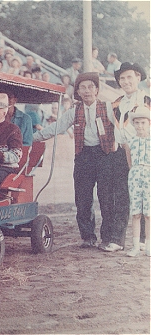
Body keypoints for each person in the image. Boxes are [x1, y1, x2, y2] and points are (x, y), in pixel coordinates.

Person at [33, 72, 117, 248]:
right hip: (83, 156)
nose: (87, 91)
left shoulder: (108, 107)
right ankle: (88, 237)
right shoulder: (74, 111)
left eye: (90, 87)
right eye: (82, 87)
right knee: (83, 198)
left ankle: (108, 238)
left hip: (105, 156)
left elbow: (122, 128)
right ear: (77, 91)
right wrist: (33, 137)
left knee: (106, 198)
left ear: (97, 89)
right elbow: (57, 127)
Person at [108, 62, 151, 252]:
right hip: (121, 152)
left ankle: (143, 240)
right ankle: (118, 239)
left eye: (129, 77)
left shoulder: (147, 100)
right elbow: (117, 128)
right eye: (122, 78)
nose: (126, 81)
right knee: (120, 195)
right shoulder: (116, 103)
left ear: (138, 78)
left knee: (144, 196)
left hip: (143, 152)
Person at [124, 106, 150, 257]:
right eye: (137, 122)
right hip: (135, 177)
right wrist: (135, 172)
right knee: (136, 213)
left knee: (148, 214)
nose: (140, 126)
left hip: (149, 176)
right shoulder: (130, 141)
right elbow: (129, 162)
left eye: (143, 122)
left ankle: (148, 245)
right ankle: (135, 246)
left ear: (149, 123)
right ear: (133, 124)